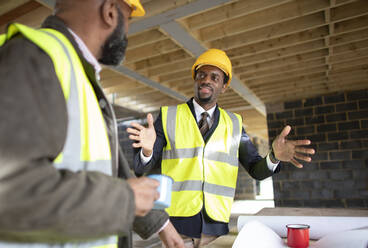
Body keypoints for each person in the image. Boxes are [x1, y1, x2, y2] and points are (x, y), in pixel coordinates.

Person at [0, 0, 185, 247]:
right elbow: (10, 191)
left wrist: (160, 224)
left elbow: (110, 173)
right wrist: (125, 200)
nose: (127, 31)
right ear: (110, 12)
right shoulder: (32, 58)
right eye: (128, 20)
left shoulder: (77, 75)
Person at [127, 48, 315, 247]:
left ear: (224, 86)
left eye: (214, 77)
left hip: (216, 228)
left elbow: (255, 169)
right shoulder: (168, 116)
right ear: (195, 80)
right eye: (201, 75)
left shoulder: (234, 124)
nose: (206, 80)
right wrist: (147, 151)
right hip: (178, 224)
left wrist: (274, 157)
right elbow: (141, 168)